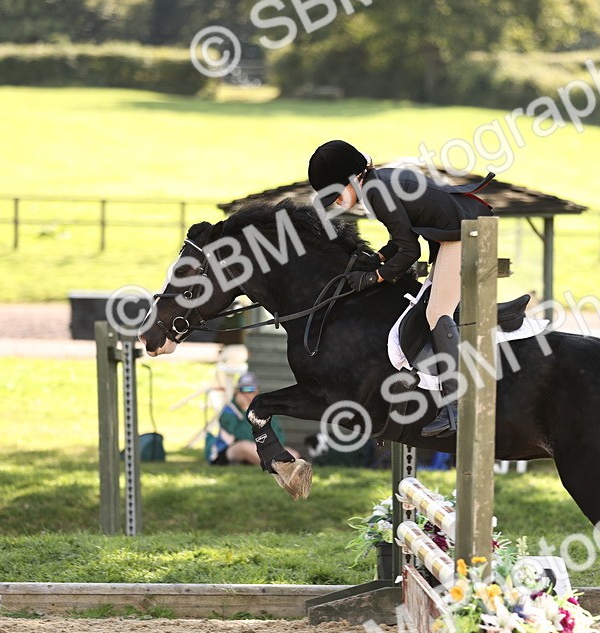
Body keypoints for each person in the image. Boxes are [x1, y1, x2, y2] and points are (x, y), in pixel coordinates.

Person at [307, 140, 495, 438]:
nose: (336, 203)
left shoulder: (376, 192)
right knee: (432, 304)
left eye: (334, 194)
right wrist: (379, 258)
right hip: (459, 230)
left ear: (350, 180)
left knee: (437, 312)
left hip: (466, 233)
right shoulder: (377, 183)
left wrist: (375, 278)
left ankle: (457, 406)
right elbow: (401, 238)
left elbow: (410, 252)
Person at [209, 372, 300, 466]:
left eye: (250, 390)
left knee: (294, 454)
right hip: (227, 452)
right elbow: (244, 435)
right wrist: (246, 411)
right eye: (242, 390)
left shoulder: (265, 410)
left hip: (258, 448)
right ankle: (277, 465)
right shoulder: (228, 411)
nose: (246, 394)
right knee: (244, 446)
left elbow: (279, 437)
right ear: (237, 392)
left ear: (258, 391)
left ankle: (280, 463)